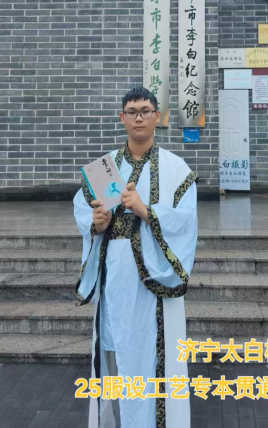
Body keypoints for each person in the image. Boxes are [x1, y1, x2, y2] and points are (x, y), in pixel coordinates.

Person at [73, 86, 198, 428]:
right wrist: (96, 223)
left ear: (157, 116)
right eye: (132, 112)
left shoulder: (175, 169)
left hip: (153, 283)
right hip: (115, 278)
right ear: (122, 118)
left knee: (152, 355)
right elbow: (82, 210)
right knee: (115, 356)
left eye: (145, 111)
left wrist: (146, 211)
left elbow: (186, 222)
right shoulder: (105, 168)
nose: (138, 117)